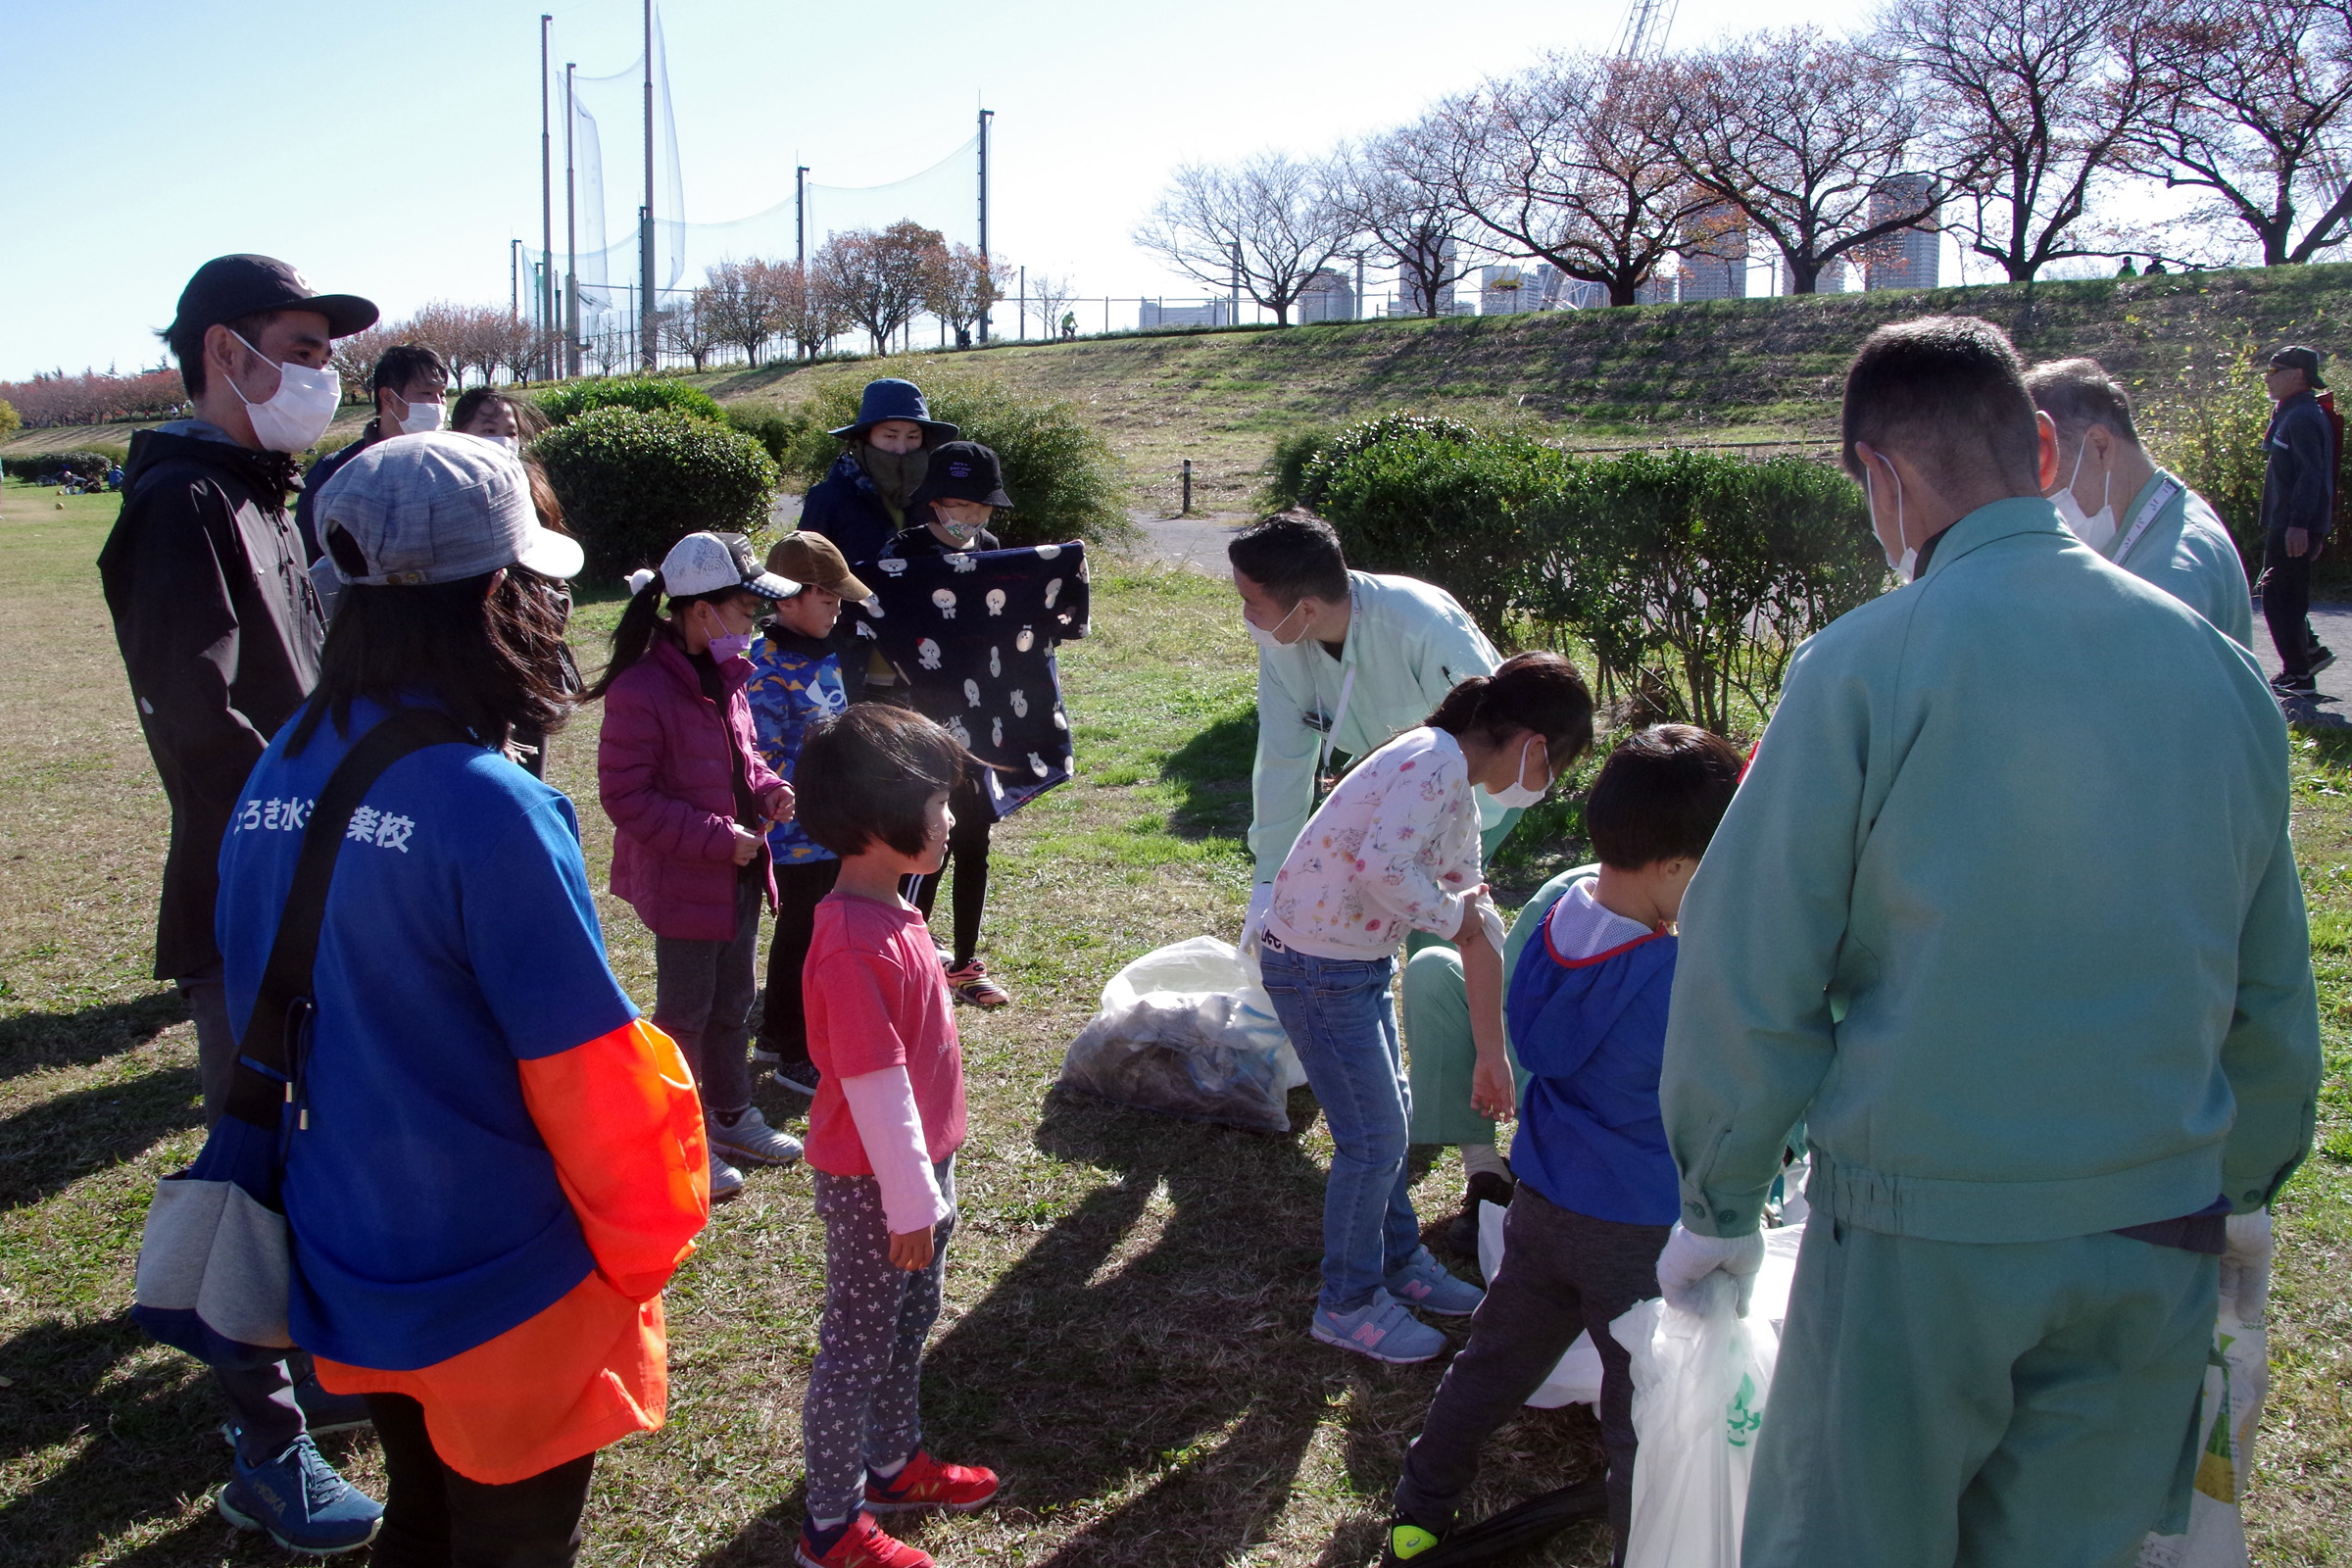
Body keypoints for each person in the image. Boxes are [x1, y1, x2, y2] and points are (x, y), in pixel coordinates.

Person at [1659, 316, 2321, 1566]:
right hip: (2159, 1212)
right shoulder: (2216, 666)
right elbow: (2271, 973)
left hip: (1925, 1227)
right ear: (2046, 445)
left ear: (1880, 479)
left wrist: (1720, 1198)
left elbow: (1752, 964)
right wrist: (2248, 1188)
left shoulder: (1861, 666)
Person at [218, 430, 707, 1567]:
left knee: (422, 1523)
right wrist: (643, 1252)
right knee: (508, 1540)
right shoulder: (492, 805)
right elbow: (591, 1076)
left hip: (349, 1248)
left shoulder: (282, 761)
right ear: (503, 593)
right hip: (504, 1282)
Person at [97, 252, 384, 1553]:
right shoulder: (180, 504)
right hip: (254, 890)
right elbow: (203, 722)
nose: (323, 375)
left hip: (323, 872)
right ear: (226, 353)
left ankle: (318, 1351)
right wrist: (312, 833)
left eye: (331, 353)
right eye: (302, 346)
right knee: (251, 1151)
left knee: (324, 1133)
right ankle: (266, 1446)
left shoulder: (265, 490)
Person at [1384, 725, 1743, 1568]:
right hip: (1635, 1233)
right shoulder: (1669, 977)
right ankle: (1643, 1548)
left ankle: (1419, 1506)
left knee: (1489, 1367)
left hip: (1542, 1205)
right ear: (1676, 869)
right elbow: (1715, 1095)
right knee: (1640, 1414)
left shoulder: (1551, 925)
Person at [1260, 652, 1594, 1365]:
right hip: (1316, 968)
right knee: (1372, 1141)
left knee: (1391, 1122)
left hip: (1354, 964)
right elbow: (1384, 871)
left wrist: (1491, 1055)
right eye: (1555, 765)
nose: (1548, 784)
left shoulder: (1457, 789)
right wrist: (1453, 918)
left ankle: (1401, 1264)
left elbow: (1479, 925)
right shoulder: (1434, 760)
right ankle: (1346, 1303)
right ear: (1534, 743)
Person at [1231, 511, 1516, 1239]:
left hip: (1468, 805)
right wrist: (1268, 879)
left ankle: (1475, 1148)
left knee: (1443, 959)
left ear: (1309, 605)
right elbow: (1285, 757)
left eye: (1254, 604)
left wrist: (1434, 879)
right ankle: (1395, 1104)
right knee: (1365, 944)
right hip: (1376, 814)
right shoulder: (1287, 642)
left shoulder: (1425, 626)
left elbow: (1502, 752)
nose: (1246, 617)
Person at [792, 704, 1001, 1568]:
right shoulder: (850, 941)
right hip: (881, 1187)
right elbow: (877, 1089)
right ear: (881, 820)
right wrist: (912, 1201)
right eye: (938, 801)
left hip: (917, 1176)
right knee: (856, 1348)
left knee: (909, 1324)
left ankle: (894, 1464)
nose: (952, 818)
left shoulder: (893, 909)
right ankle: (831, 1531)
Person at [592, 531, 808, 1201]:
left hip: (738, 872)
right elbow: (626, 797)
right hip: (688, 879)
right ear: (699, 609)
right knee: (686, 1012)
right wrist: (720, 838)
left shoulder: (727, 674)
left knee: (733, 1002)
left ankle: (730, 1113)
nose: (754, 624)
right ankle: (679, 1137)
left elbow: (743, 759)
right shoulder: (642, 688)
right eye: (745, 610)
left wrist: (769, 787)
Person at [877, 441, 1034, 1008]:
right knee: (925, 840)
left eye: (982, 508)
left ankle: (964, 962)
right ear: (935, 502)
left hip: (981, 720)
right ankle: (907, 956)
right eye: (961, 506)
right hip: (918, 724)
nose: (971, 520)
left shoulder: (990, 550)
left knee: (975, 835)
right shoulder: (902, 552)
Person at [747, 532, 869, 1094]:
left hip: (829, 822)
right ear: (787, 598)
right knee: (801, 937)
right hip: (794, 829)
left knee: (812, 931)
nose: (837, 609)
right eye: (828, 599)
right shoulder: (765, 666)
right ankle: (795, 1052)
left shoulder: (820, 650)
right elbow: (765, 757)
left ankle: (775, 1031)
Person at [2025, 357, 2253, 646]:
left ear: (2099, 446)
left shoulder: (2171, 576)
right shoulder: (2162, 519)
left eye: (2045, 469)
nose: (2039, 493)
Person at [799, 378, 958, 704]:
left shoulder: (936, 502)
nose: (902, 449)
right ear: (863, 440)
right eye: (890, 436)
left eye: (913, 437)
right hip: (850, 663)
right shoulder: (830, 498)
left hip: (924, 663)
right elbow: (802, 575)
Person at [295, 342, 450, 560]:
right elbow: (312, 556)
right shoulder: (336, 471)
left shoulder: (452, 466)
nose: (438, 405)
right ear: (387, 397)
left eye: (442, 395)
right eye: (426, 393)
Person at [2259, 344, 2337, 697]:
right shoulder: (2292, 412)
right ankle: (2310, 652)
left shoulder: (2304, 415)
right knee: (2282, 591)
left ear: (2298, 376)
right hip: (2287, 521)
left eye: (2275, 371)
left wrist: (2301, 525)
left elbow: (2313, 474)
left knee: (2280, 597)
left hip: (2292, 524)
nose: (2268, 377)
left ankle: (2298, 676)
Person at [451, 386, 546, 450]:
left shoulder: (525, 478)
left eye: (511, 433)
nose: (504, 441)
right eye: (489, 430)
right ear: (460, 433)